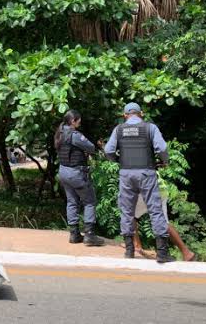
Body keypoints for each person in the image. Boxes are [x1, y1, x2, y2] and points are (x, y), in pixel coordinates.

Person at [104, 102, 174, 263]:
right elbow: (162, 149)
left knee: (127, 211)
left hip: (126, 174)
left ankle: (129, 251)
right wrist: (165, 161)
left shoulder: (119, 129)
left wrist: (118, 160)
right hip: (146, 173)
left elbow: (108, 151)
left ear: (125, 115)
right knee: (155, 210)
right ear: (141, 113)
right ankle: (162, 253)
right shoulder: (150, 128)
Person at [55, 110, 105, 246]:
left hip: (63, 171)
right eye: (79, 120)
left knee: (71, 202)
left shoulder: (59, 132)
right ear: (73, 121)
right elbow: (91, 147)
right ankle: (89, 236)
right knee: (89, 201)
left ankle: (74, 234)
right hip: (76, 173)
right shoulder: (74, 135)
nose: (80, 122)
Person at [131, 196, 196, 261]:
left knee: (129, 213)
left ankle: (137, 245)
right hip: (161, 191)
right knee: (163, 222)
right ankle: (186, 252)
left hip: (148, 191)